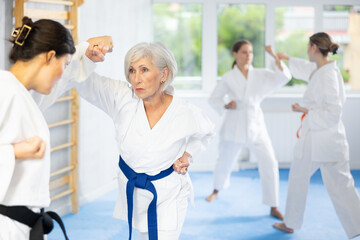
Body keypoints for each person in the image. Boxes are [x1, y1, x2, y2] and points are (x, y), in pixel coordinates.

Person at [51, 42, 214, 240]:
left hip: (168, 194)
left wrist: (187, 155)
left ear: (164, 74)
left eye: (144, 70)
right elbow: (84, 82)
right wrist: (86, 56)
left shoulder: (185, 111)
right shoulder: (122, 97)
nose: (136, 79)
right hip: (136, 192)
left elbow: (206, 132)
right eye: (131, 70)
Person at [0, 17, 110, 240]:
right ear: (49, 57)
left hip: (25, 225)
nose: (63, 72)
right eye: (64, 64)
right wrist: (15, 152)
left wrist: (86, 51)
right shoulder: (4, 90)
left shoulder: (25, 94)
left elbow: (65, 75)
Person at [273, 32, 360, 239]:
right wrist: (286, 58)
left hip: (326, 140)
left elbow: (334, 111)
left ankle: (357, 225)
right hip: (317, 139)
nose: (306, 50)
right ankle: (291, 222)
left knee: (341, 185)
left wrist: (305, 109)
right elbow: (305, 68)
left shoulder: (328, 75)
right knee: (300, 177)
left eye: (307, 46)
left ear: (313, 47)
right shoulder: (322, 69)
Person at [205, 40, 292, 220]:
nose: (248, 56)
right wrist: (226, 105)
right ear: (235, 54)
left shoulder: (260, 75)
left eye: (251, 52)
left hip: (255, 122)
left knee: (270, 162)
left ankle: (273, 205)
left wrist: (275, 57)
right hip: (234, 121)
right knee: (225, 159)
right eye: (244, 52)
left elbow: (284, 77)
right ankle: (216, 189)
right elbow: (214, 99)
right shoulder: (228, 77)